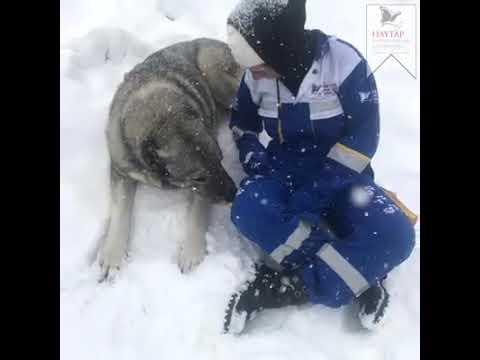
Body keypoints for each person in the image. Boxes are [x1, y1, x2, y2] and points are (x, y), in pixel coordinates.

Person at [222, 0, 417, 334]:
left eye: (259, 63)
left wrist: (321, 188)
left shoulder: (345, 62)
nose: (252, 72)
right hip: (284, 172)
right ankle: (358, 275)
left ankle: (288, 288)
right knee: (249, 208)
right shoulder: (255, 78)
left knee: (397, 234)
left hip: (344, 177)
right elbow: (243, 122)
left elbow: (364, 135)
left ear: (280, 50)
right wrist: (252, 153)